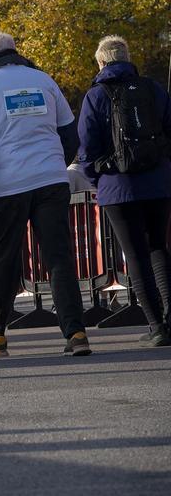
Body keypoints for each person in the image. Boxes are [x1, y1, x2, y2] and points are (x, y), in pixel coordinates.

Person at [0, 32, 90, 357]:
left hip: (8, 185)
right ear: (14, 51)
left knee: (6, 258)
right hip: (51, 180)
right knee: (59, 257)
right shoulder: (44, 80)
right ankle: (76, 333)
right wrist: (54, 163)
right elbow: (70, 135)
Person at [77, 35, 171, 347]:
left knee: (136, 256)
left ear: (101, 62)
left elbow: (87, 148)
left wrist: (99, 181)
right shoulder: (153, 89)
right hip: (158, 183)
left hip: (117, 187)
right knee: (159, 249)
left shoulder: (95, 96)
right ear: (127, 58)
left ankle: (156, 326)